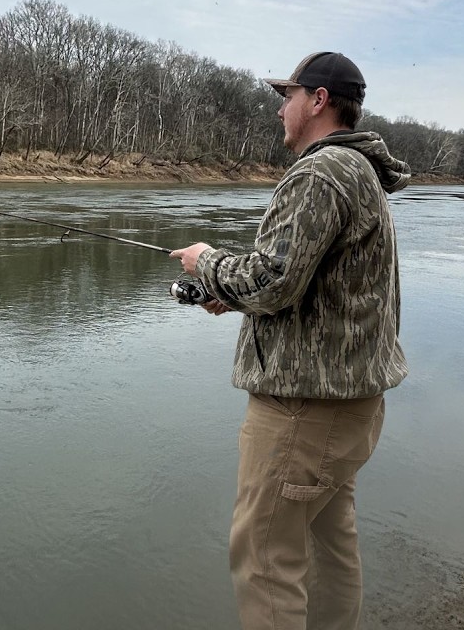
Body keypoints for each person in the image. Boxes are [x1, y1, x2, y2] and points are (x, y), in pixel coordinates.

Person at [170, 51, 410, 630]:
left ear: (319, 100)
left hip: (303, 413)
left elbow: (273, 280)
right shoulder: (359, 173)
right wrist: (233, 297)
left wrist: (208, 263)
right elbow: (319, 284)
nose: (282, 109)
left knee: (265, 560)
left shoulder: (320, 173)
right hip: (349, 407)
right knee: (332, 545)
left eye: (289, 96)